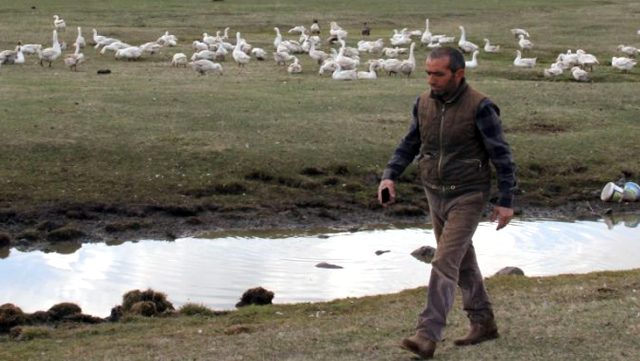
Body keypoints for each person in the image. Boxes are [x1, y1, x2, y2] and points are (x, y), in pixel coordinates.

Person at [378, 46, 517, 359]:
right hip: (433, 191)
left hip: (468, 194)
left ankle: (427, 335)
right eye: (428, 73)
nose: (431, 80)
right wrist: (390, 176)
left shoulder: (481, 107)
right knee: (462, 260)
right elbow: (410, 143)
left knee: (444, 260)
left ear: (459, 73)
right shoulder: (423, 103)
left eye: (438, 74)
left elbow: (502, 156)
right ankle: (483, 323)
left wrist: (506, 200)